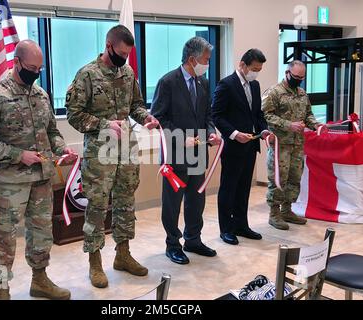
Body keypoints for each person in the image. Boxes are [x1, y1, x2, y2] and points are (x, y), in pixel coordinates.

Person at [0, 40, 77, 300]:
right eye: (31, 67)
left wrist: (62, 150)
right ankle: (1, 289)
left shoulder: (41, 94)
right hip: (9, 183)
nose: (36, 73)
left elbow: (51, 131)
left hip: (41, 179)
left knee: (42, 232)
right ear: (16, 62)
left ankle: (39, 280)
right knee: (4, 238)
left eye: (40, 68)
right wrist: (20, 155)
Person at [65, 25, 159, 288]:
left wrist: (146, 117)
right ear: (108, 46)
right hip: (100, 153)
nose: (124, 58)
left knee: (125, 202)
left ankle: (123, 254)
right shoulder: (87, 75)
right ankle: (95, 262)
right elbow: (74, 114)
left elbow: (135, 106)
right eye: (120, 53)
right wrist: (104, 125)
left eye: (128, 54)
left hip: (126, 150)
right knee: (96, 206)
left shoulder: (128, 73)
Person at [150, 37, 221, 265]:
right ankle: (173, 243)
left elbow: (207, 114)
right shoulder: (168, 82)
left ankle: (193, 239)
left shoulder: (203, 82)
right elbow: (158, 118)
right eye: (206, 60)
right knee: (172, 203)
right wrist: (181, 139)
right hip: (175, 155)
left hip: (199, 152)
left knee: (196, 200)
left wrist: (211, 131)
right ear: (192, 59)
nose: (207, 64)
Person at [212, 49, 270, 245]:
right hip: (233, 146)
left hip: (251, 145)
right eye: (254, 69)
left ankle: (241, 225)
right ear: (243, 65)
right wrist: (235, 134)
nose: (256, 73)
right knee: (229, 188)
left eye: (259, 70)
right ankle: (226, 229)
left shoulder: (254, 85)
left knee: (244, 188)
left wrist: (264, 131)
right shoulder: (226, 85)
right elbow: (217, 115)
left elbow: (257, 115)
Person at [262, 60, 324, 230]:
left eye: (301, 77)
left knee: (295, 177)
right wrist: (288, 125)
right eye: (296, 76)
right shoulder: (274, 92)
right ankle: (274, 214)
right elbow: (266, 116)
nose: (298, 79)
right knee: (278, 179)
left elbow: (308, 114)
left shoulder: (302, 93)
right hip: (280, 144)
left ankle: (287, 209)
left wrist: (316, 125)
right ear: (287, 73)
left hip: (297, 144)